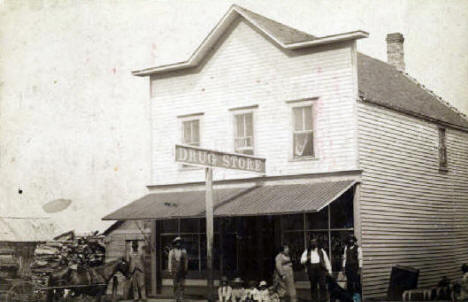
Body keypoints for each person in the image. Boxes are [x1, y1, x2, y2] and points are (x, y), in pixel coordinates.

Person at [300, 238, 332, 302]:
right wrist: (307, 258)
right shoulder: (307, 251)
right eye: (312, 242)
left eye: (314, 242)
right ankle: (314, 299)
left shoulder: (321, 251)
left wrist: (329, 270)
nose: (313, 243)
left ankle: (323, 299)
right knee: (313, 285)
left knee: (322, 285)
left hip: (321, 269)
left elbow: (326, 260)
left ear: (317, 243)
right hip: (312, 270)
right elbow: (301, 261)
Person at [168, 237, 188, 302]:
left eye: (179, 242)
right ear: (175, 243)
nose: (178, 244)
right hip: (174, 270)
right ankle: (176, 297)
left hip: (182, 270)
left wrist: (186, 269)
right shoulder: (171, 252)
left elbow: (186, 261)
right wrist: (170, 270)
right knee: (175, 284)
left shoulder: (184, 251)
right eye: (177, 242)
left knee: (182, 284)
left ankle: (181, 297)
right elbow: (170, 261)